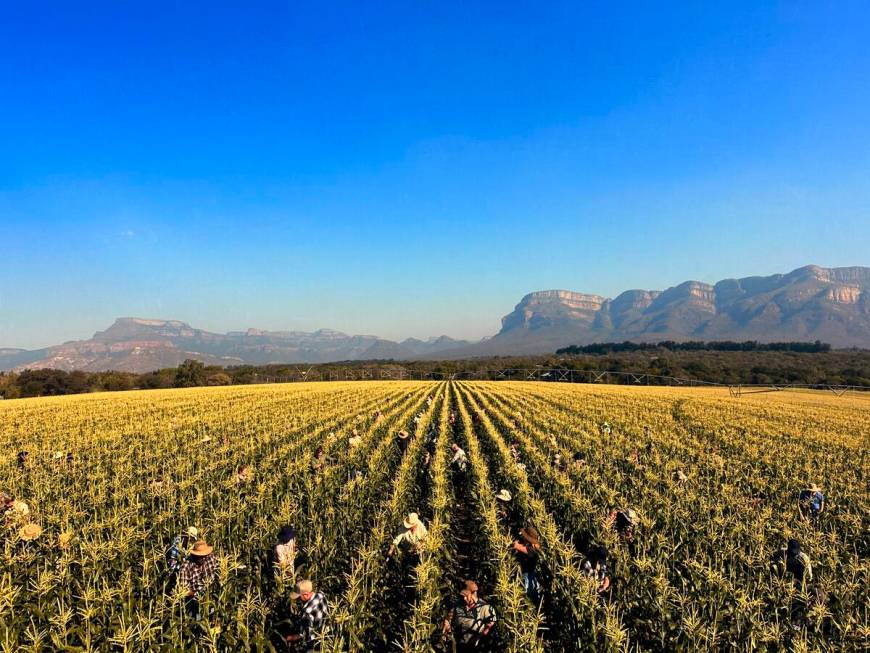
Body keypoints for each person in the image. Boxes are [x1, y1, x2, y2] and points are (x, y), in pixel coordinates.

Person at [442, 580, 498, 652]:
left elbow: (489, 627)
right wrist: (446, 627)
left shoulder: (486, 608)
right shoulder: (457, 605)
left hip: (476, 648)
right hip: (458, 647)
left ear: (474, 593)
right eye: (463, 596)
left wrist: (478, 638)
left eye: (466, 595)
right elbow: (448, 619)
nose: (464, 598)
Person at [285, 579, 329, 652]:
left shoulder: (306, 613)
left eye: (299, 596)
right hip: (328, 633)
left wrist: (293, 637)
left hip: (319, 642)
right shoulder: (321, 594)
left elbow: (309, 637)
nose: (297, 599)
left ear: (306, 594)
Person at [179, 540, 219, 617]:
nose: (202, 559)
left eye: (203, 556)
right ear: (193, 555)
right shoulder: (185, 567)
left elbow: (221, 568)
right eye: (199, 556)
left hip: (212, 596)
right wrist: (196, 593)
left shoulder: (211, 558)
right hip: (195, 600)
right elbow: (183, 590)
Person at [512, 526, 542, 604]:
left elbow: (516, 546)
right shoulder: (533, 548)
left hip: (528, 576)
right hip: (531, 575)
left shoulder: (531, 550)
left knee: (529, 598)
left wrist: (516, 541)